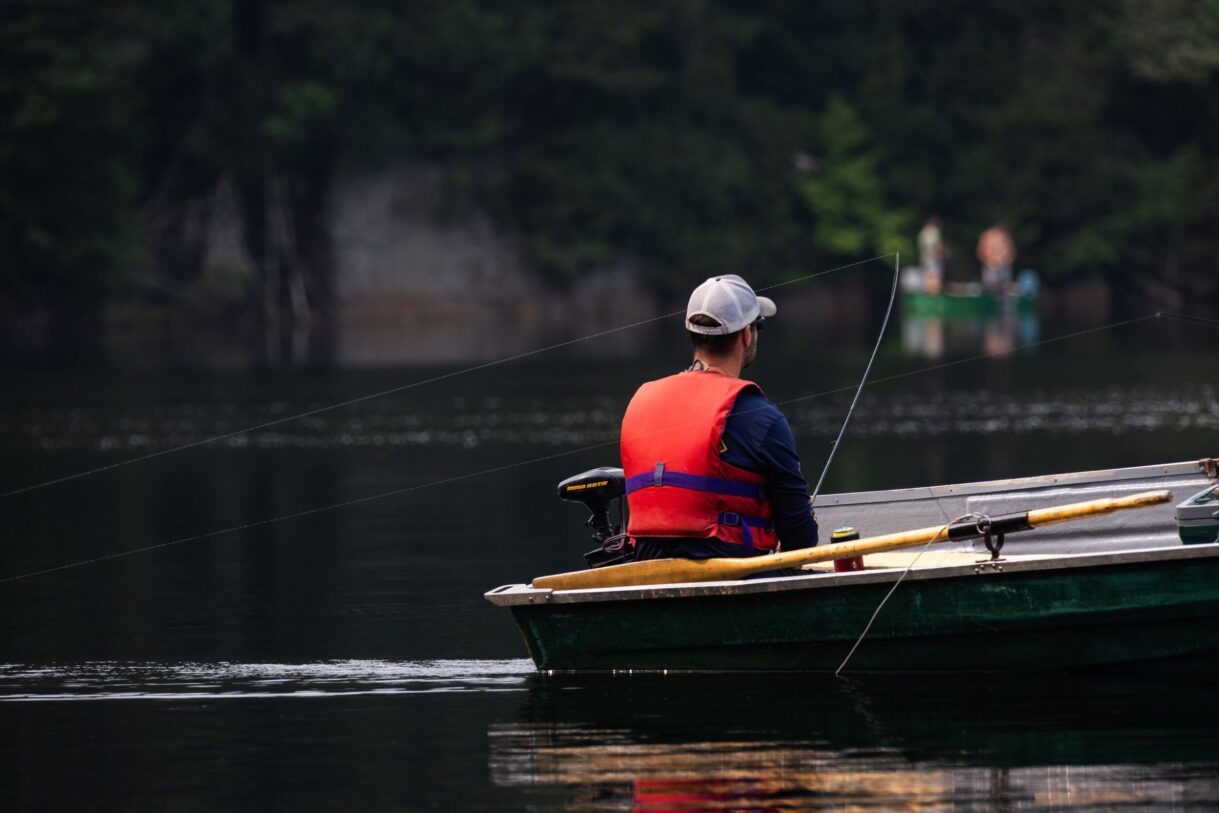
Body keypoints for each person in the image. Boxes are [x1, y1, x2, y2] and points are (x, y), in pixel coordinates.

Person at [620, 275, 819, 561]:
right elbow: (800, 539)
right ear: (747, 334)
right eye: (757, 326)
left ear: (693, 334)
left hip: (647, 568)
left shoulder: (641, 401)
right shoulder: (763, 418)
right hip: (734, 573)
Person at [976, 223, 1016, 293]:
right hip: (990, 266)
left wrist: (1006, 261)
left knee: (1005, 290)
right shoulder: (988, 235)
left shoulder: (1006, 236)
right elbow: (980, 250)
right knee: (990, 288)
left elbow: (1012, 251)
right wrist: (989, 261)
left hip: (1004, 266)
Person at [917, 216, 945, 294]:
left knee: (926, 279)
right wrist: (943, 255)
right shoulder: (934, 231)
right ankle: (934, 297)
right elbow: (935, 247)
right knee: (935, 280)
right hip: (934, 260)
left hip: (924, 259)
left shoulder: (922, 232)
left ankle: (928, 297)